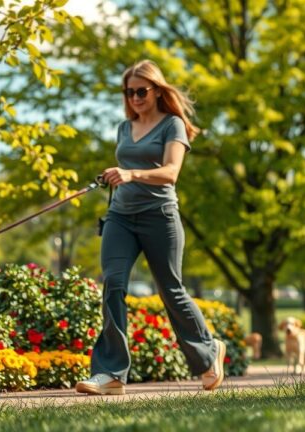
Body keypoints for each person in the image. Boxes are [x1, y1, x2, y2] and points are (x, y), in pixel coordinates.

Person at [75, 60, 226, 395]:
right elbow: (127, 166)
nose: (135, 98)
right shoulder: (123, 128)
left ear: (157, 90)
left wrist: (131, 173)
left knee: (170, 289)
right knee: (113, 283)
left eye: (141, 91)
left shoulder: (172, 125)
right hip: (120, 217)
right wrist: (115, 176)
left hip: (160, 215)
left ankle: (208, 352)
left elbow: (171, 172)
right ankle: (111, 374)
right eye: (129, 92)